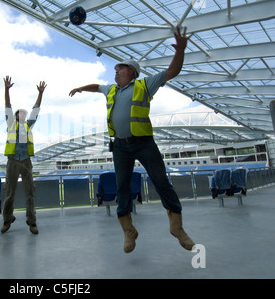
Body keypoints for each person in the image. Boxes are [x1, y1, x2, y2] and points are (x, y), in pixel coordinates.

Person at [69, 27, 195, 253]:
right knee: (123, 187)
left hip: (144, 143)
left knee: (161, 181)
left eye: (120, 69)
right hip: (120, 146)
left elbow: (171, 72)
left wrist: (181, 51)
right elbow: (96, 86)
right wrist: (80, 88)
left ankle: (177, 227)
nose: (116, 72)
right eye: (116, 69)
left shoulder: (144, 85)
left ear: (132, 72)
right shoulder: (112, 90)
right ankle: (128, 230)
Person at [1, 76, 46, 235]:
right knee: (9, 192)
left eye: (25, 114)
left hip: (26, 161)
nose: (24, 115)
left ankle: (32, 221)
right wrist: (6, 89)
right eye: (21, 113)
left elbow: (36, 109)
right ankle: (7, 219)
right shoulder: (10, 124)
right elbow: (7, 105)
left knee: (30, 192)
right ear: (15, 116)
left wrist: (40, 93)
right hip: (13, 161)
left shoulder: (28, 126)